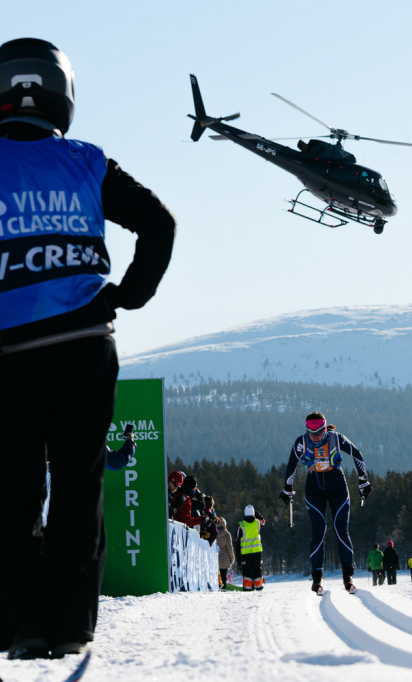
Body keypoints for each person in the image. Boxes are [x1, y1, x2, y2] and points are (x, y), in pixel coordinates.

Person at [0, 38, 175, 661]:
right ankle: (72, 625)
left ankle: (23, 627)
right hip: (84, 346)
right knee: (78, 487)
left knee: (14, 492)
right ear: (62, 95)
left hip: (9, 358)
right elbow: (160, 222)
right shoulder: (89, 161)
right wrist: (128, 295)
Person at [279, 411, 371, 596]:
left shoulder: (337, 439)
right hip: (314, 487)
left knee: (340, 529)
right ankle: (317, 578)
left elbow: (357, 454)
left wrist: (363, 481)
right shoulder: (301, 442)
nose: (315, 437)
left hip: (337, 484)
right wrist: (287, 489)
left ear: (325, 428)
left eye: (319, 433)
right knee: (318, 530)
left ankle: (348, 576)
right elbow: (291, 464)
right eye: (311, 434)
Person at [234, 505, 266, 592]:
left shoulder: (241, 525)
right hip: (257, 552)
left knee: (247, 571)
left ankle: (248, 588)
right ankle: (259, 586)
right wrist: (258, 515)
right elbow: (263, 521)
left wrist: (238, 556)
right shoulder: (257, 523)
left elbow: (237, 540)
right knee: (257, 569)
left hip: (246, 553)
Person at [215, 516, 235, 589]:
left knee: (217, 577)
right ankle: (223, 589)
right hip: (225, 560)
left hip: (216, 559)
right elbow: (229, 548)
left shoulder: (214, 534)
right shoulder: (227, 534)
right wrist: (232, 559)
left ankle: (217, 588)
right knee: (223, 577)